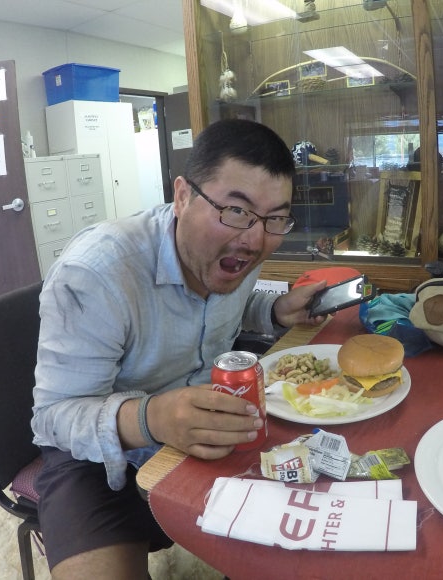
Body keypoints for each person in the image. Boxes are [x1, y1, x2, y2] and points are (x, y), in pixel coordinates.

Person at [31, 119, 328, 579]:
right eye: (236, 210)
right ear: (183, 195)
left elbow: (227, 307)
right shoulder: (95, 274)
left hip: (209, 417)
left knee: (305, 538)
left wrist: (274, 309)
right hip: (96, 452)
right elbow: (53, 416)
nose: (254, 240)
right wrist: (151, 418)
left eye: (274, 219)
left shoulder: (236, 249)